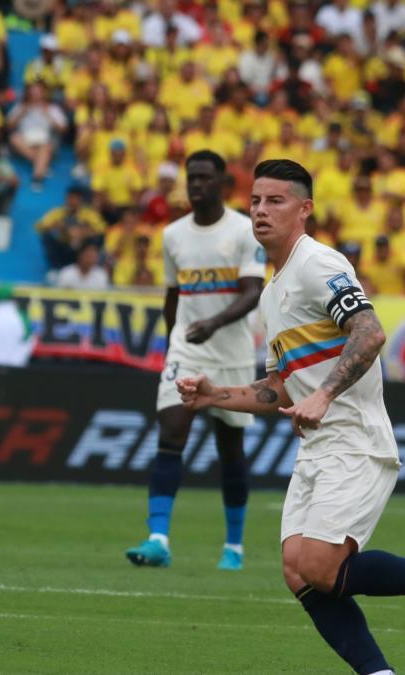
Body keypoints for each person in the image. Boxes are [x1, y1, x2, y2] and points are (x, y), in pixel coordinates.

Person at [177, 159, 405, 673]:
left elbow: (370, 332)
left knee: (319, 566)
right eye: (256, 201)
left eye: (276, 201)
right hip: (317, 446)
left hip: (355, 439)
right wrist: (214, 395)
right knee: (299, 573)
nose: (261, 211)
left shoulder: (319, 264)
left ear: (304, 209)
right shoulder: (271, 293)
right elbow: (277, 388)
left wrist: (325, 395)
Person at [124, 150, 264, 571]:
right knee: (171, 433)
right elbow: (172, 294)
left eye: (204, 177)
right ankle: (158, 539)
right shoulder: (172, 235)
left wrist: (214, 322)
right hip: (186, 350)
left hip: (233, 354)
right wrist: (174, 342)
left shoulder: (245, 230)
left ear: (222, 182)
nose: (196, 184)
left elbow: (253, 291)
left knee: (230, 450)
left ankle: (234, 547)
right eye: (191, 177)